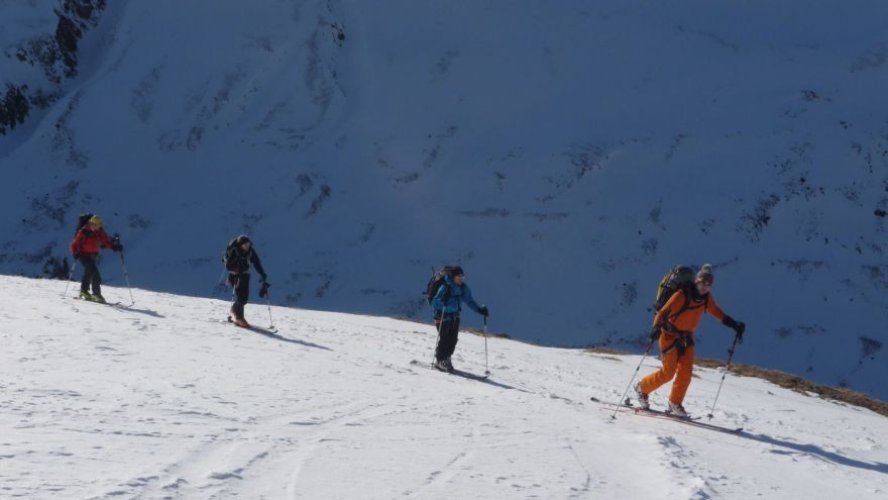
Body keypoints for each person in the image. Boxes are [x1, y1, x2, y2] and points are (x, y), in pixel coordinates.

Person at [635, 264, 745, 417]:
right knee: (668, 373)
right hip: (669, 336)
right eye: (702, 283)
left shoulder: (706, 299)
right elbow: (662, 312)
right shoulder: (681, 295)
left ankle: (675, 403)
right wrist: (655, 328)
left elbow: (716, 312)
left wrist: (734, 324)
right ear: (696, 281)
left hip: (687, 338)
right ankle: (642, 388)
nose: (704, 288)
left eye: (708, 285)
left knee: (685, 374)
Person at [431, 266, 488, 372]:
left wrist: (479, 310)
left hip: (455, 316)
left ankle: (446, 358)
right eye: (459, 276)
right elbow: (435, 303)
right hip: (442, 316)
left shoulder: (463, 288)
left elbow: (469, 301)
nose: (461, 278)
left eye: (462, 276)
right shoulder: (445, 287)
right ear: (453, 277)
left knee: (453, 339)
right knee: (445, 338)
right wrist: (444, 301)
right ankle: (440, 360)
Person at [69, 215, 122, 303]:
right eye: (94, 224)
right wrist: (75, 252)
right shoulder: (84, 231)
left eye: (98, 225)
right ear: (90, 223)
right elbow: (75, 243)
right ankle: (96, 294)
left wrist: (114, 247)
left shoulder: (100, 232)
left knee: (89, 271)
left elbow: (106, 241)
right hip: (83, 254)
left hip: (93, 255)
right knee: (95, 274)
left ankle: (84, 291)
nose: (96, 227)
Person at [224, 235, 269, 327]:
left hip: (245, 273)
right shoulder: (234, 250)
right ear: (240, 245)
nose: (247, 247)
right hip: (234, 274)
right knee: (241, 296)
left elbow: (256, 263)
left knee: (244, 297)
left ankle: (236, 312)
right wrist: (237, 269)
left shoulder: (250, 252)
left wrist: (262, 273)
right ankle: (238, 317)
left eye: (248, 244)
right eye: (245, 245)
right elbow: (228, 266)